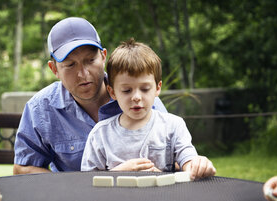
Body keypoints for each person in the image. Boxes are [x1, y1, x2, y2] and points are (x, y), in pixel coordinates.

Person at [13, 17, 167, 174]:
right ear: (54, 69)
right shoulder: (40, 109)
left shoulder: (142, 99)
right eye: (70, 65)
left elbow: (173, 158)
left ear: (103, 57)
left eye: (90, 60)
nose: (83, 74)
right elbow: (22, 168)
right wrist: (70, 189)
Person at [81, 39, 216, 180]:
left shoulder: (173, 126)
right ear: (112, 92)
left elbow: (188, 160)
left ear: (157, 88)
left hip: (162, 199)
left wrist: (198, 165)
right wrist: (117, 174)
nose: (136, 97)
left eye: (145, 89)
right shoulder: (100, 134)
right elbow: (87, 181)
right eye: (127, 90)